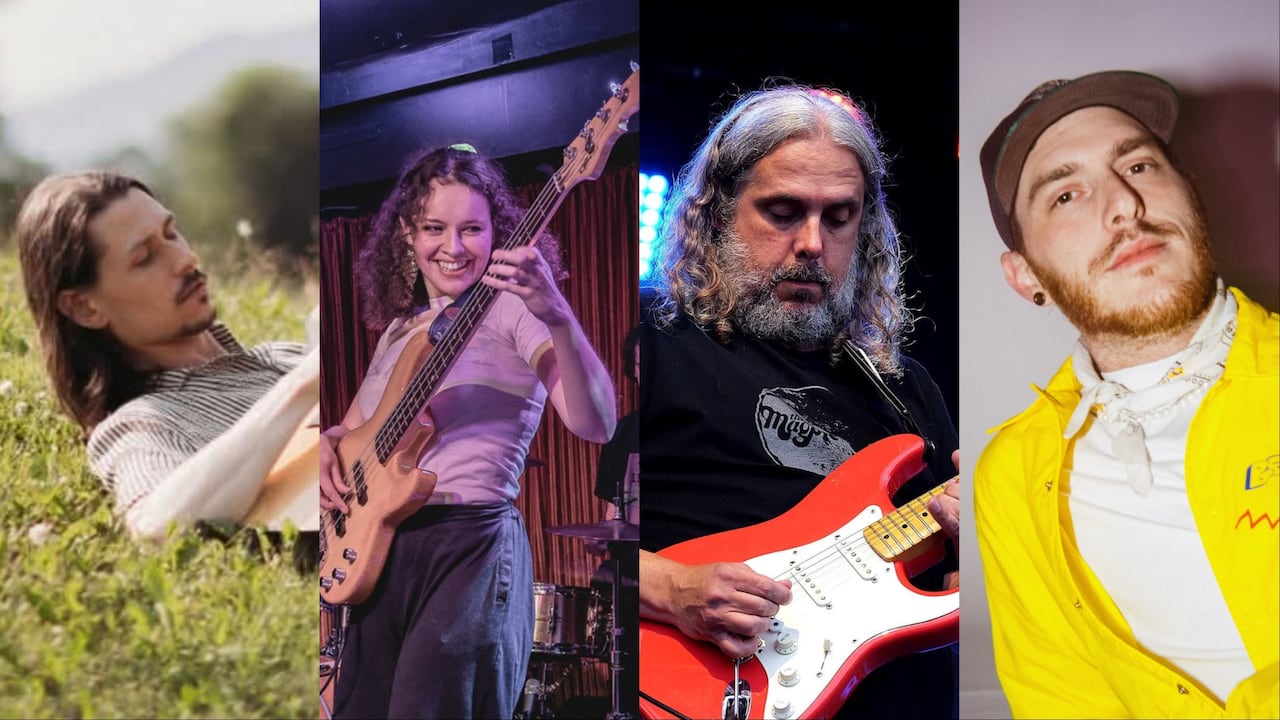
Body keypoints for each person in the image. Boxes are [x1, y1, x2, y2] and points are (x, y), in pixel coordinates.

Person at [638, 83, 961, 718]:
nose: (813, 244)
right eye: (783, 212)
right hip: (711, 689)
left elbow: (955, 587)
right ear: (718, 212)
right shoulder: (651, 345)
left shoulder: (904, 385)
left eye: (838, 217)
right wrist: (674, 589)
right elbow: (576, 547)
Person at [974, 70, 1278, 718]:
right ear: (1025, 275)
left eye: (1139, 165)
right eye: (1065, 196)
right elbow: (1058, 699)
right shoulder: (1012, 476)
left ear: (1190, 196)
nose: (1123, 206)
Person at [317, 144, 617, 719]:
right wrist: (325, 446)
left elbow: (596, 423)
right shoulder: (399, 331)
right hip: (384, 548)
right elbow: (354, 431)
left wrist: (557, 312)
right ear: (408, 232)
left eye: (471, 229)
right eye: (434, 228)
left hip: (469, 544)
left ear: (497, 231)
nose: (452, 248)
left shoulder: (515, 310)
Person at [15, 171, 321, 539]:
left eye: (172, 233)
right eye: (145, 257)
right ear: (85, 308)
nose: (185, 258)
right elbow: (159, 522)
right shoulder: (142, 422)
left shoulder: (280, 355)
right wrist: (304, 385)